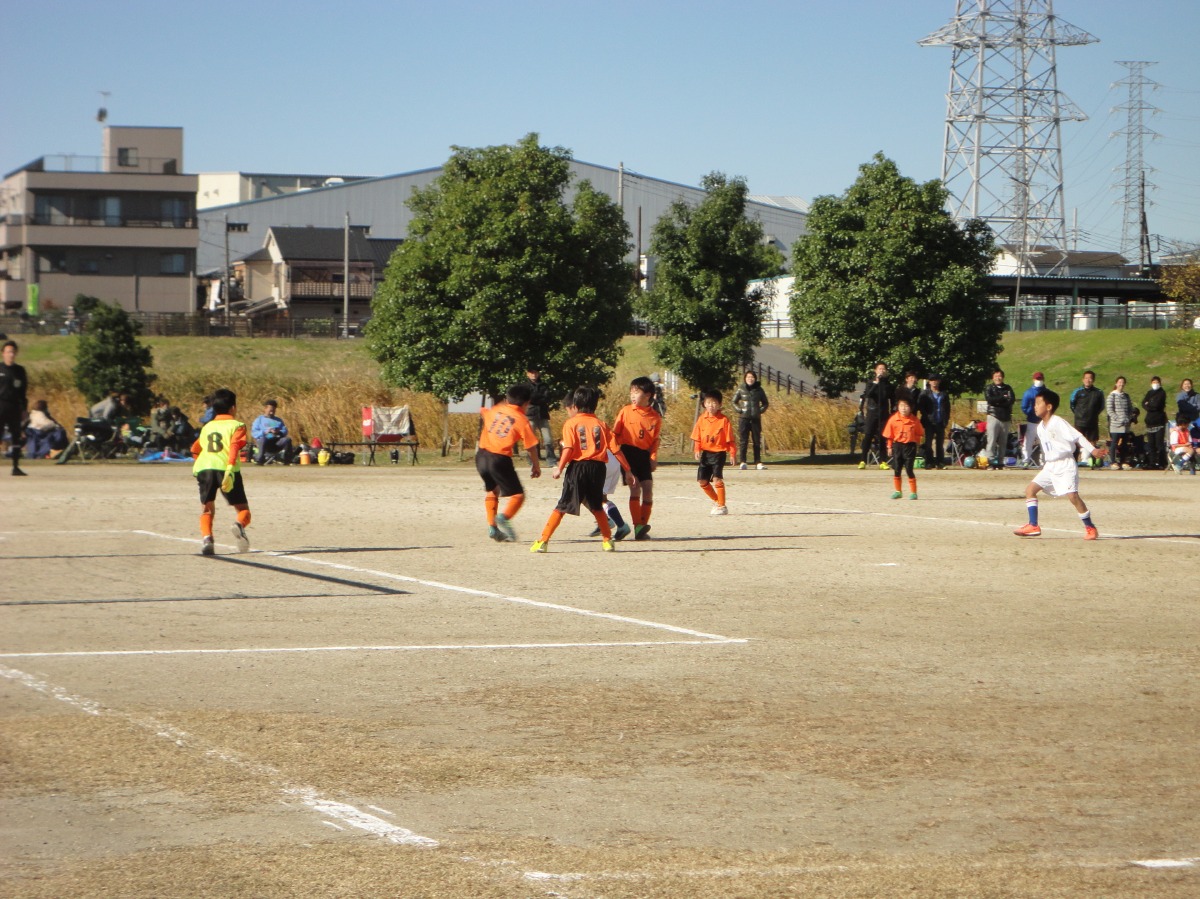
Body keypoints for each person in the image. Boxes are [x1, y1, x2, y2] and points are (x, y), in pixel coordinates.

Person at [529, 386, 633, 553]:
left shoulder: (571, 423)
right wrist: (628, 470)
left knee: (563, 505)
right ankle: (607, 541)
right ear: (595, 405)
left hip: (578, 467)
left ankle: (543, 541)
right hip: (598, 469)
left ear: (575, 405)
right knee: (597, 505)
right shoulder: (601, 424)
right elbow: (616, 450)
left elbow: (569, 448)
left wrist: (559, 468)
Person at [1013, 388, 1107, 540]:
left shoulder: (1058, 422)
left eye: (1038, 403)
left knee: (1073, 496)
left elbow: (1078, 436)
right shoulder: (1040, 427)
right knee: (1030, 490)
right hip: (1050, 466)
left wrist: (1093, 450)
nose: (1035, 406)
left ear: (1049, 407)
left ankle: (1090, 527)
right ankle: (1033, 525)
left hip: (1065, 464)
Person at [476, 382, 541, 543]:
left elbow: (484, 412)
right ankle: (504, 517)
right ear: (526, 403)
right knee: (518, 495)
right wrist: (536, 465)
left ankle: (492, 527)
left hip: (481, 456)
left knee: (493, 491)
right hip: (499, 459)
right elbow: (531, 447)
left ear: (507, 398)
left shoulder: (496, 410)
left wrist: (485, 411)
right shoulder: (522, 419)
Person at [190, 387, 252, 556]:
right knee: (243, 509)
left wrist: (201, 465)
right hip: (226, 469)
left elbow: (195, 449)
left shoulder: (207, 427)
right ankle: (239, 525)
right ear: (233, 408)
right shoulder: (237, 425)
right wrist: (230, 465)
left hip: (205, 468)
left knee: (207, 508)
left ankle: (207, 539)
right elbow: (234, 446)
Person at [611, 376, 663, 540]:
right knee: (635, 488)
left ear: (648, 395)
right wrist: (614, 452)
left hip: (644, 455)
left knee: (648, 489)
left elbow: (654, 441)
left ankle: (642, 527)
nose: (632, 396)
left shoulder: (655, 417)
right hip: (627, 453)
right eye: (631, 392)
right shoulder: (626, 411)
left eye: (636, 392)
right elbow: (615, 434)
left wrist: (653, 457)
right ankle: (637, 525)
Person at [691, 389, 737, 515]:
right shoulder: (701, 419)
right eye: (708, 402)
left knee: (717, 479)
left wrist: (732, 453)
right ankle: (717, 500)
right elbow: (697, 436)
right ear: (704, 404)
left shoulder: (724, 420)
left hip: (719, 453)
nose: (711, 405)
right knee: (702, 481)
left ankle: (722, 506)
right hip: (706, 454)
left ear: (720, 404)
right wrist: (697, 449)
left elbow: (730, 439)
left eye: (714, 403)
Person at [883, 397, 924, 499]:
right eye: (901, 406)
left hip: (910, 446)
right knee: (897, 468)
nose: (903, 408)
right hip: (897, 446)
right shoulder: (893, 419)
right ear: (898, 407)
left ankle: (913, 492)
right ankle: (898, 491)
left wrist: (917, 445)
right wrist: (889, 447)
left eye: (906, 406)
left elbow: (919, 434)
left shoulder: (914, 420)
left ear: (911, 408)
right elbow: (889, 435)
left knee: (909, 469)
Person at [0, 340, 29, 475]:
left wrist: (24, 409)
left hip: (14, 406)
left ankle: (15, 467)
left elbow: (23, 391)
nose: (11, 355)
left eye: (13, 352)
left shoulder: (19, 371)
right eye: (8, 352)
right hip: (1, 405)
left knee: (16, 436)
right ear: (3, 353)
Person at [732, 370, 770, 470]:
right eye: (748, 377)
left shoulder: (759, 390)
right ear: (745, 378)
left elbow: (765, 403)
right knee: (743, 441)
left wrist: (759, 411)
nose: (750, 379)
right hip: (744, 418)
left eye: (752, 377)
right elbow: (734, 401)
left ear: (755, 378)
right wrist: (740, 410)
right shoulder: (741, 388)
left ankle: (758, 462)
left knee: (756, 441)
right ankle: (743, 461)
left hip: (755, 419)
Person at [857, 363, 892, 469]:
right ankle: (863, 460)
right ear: (875, 371)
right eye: (880, 369)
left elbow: (890, 397)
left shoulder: (887, 384)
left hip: (883, 413)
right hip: (872, 413)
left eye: (883, 369)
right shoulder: (870, 383)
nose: (882, 371)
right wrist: (876, 383)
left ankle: (883, 461)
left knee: (882, 437)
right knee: (868, 435)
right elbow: (869, 394)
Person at [1069, 371, 1104, 465]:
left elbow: (1101, 406)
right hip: (1079, 422)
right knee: (1076, 442)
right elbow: (1072, 405)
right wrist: (1078, 414)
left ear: (1093, 380)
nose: (1088, 380)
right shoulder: (1077, 391)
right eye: (1086, 378)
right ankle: (1073, 461)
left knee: (1092, 442)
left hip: (1092, 421)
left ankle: (1093, 462)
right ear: (1083, 379)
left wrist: (1093, 414)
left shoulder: (1098, 392)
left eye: (1090, 378)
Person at [524, 367, 557, 466]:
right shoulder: (525, 386)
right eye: (531, 372)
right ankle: (531, 461)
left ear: (538, 374)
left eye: (535, 373)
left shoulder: (544, 385)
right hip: (530, 414)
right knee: (530, 439)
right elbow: (527, 398)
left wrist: (534, 398)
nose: (533, 375)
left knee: (548, 439)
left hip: (542, 414)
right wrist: (537, 397)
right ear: (527, 374)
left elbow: (547, 397)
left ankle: (551, 461)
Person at [984, 369, 1015, 470]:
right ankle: (990, 461)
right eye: (996, 376)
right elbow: (990, 400)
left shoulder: (1008, 388)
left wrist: (999, 401)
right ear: (993, 378)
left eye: (1000, 376)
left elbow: (1011, 400)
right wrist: (1002, 397)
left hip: (1005, 417)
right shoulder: (989, 388)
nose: (998, 378)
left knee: (1003, 441)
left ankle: (1001, 462)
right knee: (991, 440)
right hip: (993, 415)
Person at [917, 375, 949, 469]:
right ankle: (929, 462)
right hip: (929, 422)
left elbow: (947, 408)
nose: (934, 382)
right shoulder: (925, 393)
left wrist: (946, 419)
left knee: (940, 443)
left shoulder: (943, 394)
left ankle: (940, 462)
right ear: (929, 382)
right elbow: (921, 406)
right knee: (928, 443)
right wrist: (925, 416)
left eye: (936, 380)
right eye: (932, 380)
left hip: (940, 421)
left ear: (939, 381)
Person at [1105, 376, 1136, 470]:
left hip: (1125, 425)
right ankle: (1113, 462)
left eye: (1123, 382)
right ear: (1116, 383)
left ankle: (1123, 462)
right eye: (1119, 382)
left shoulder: (1126, 396)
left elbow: (1130, 409)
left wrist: (1128, 418)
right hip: (1115, 425)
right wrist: (1117, 419)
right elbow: (1109, 410)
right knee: (1114, 444)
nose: (1121, 384)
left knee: (1125, 444)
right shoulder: (1112, 395)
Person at [250, 399, 294, 464]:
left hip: (276, 441)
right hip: (265, 441)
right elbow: (254, 433)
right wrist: (265, 432)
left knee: (287, 439)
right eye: (270, 410)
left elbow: (284, 430)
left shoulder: (278, 420)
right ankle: (260, 459)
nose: (272, 412)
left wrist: (278, 432)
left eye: (273, 410)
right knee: (262, 439)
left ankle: (287, 460)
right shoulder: (259, 420)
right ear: (265, 409)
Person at [1019, 372, 1045, 468]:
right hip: (1032, 421)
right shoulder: (1028, 392)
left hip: (1043, 421)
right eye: (1037, 379)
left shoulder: (1046, 392)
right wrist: (1031, 413)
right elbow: (1024, 407)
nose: (1039, 381)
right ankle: (1025, 460)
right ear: (1033, 380)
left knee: (1044, 442)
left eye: (1040, 379)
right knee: (1028, 442)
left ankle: (1044, 462)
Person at [1142, 375, 1168, 470]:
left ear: (1160, 383)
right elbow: (1143, 403)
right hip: (1150, 421)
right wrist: (1148, 405)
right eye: (1153, 382)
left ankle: (1162, 463)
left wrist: (1148, 405)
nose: (1155, 384)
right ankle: (1152, 463)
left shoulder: (1162, 393)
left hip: (1159, 421)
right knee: (1151, 444)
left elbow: (1157, 405)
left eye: (1157, 382)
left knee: (1159, 444)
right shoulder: (1149, 392)